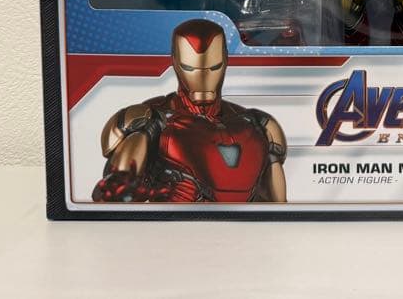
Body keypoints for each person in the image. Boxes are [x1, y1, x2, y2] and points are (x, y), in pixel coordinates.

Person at [93, 19, 287, 203]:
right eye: (190, 67)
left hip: (245, 225)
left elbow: (279, 209)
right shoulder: (150, 120)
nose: (203, 77)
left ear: (225, 60)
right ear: (175, 61)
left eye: (214, 67)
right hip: (175, 224)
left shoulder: (258, 125)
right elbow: (112, 196)